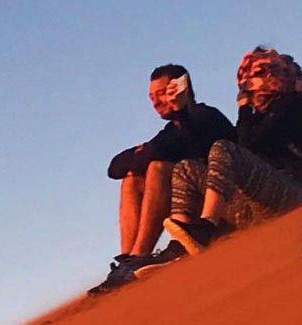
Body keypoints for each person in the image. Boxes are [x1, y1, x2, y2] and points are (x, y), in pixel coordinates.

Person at [161, 47, 302, 255]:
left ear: (274, 75)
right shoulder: (260, 113)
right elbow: (209, 158)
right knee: (185, 168)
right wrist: (181, 113)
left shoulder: (293, 106)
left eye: (257, 75)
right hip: (259, 204)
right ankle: (179, 246)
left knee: (224, 148)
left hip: (297, 197)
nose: (247, 82)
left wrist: (243, 109)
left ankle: (207, 227)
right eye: (248, 76)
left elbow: (245, 147)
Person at [90, 64, 234, 293]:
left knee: (157, 168)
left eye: (160, 94)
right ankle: (127, 260)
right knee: (132, 179)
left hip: (222, 204)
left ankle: (140, 256)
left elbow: (201, 153)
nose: (154, 102)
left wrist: (149, 150)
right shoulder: (169, 131)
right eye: (151, 97)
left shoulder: (206, 115)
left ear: (180, 87)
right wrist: (146, 152)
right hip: (188, 202)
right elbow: (115, 168)